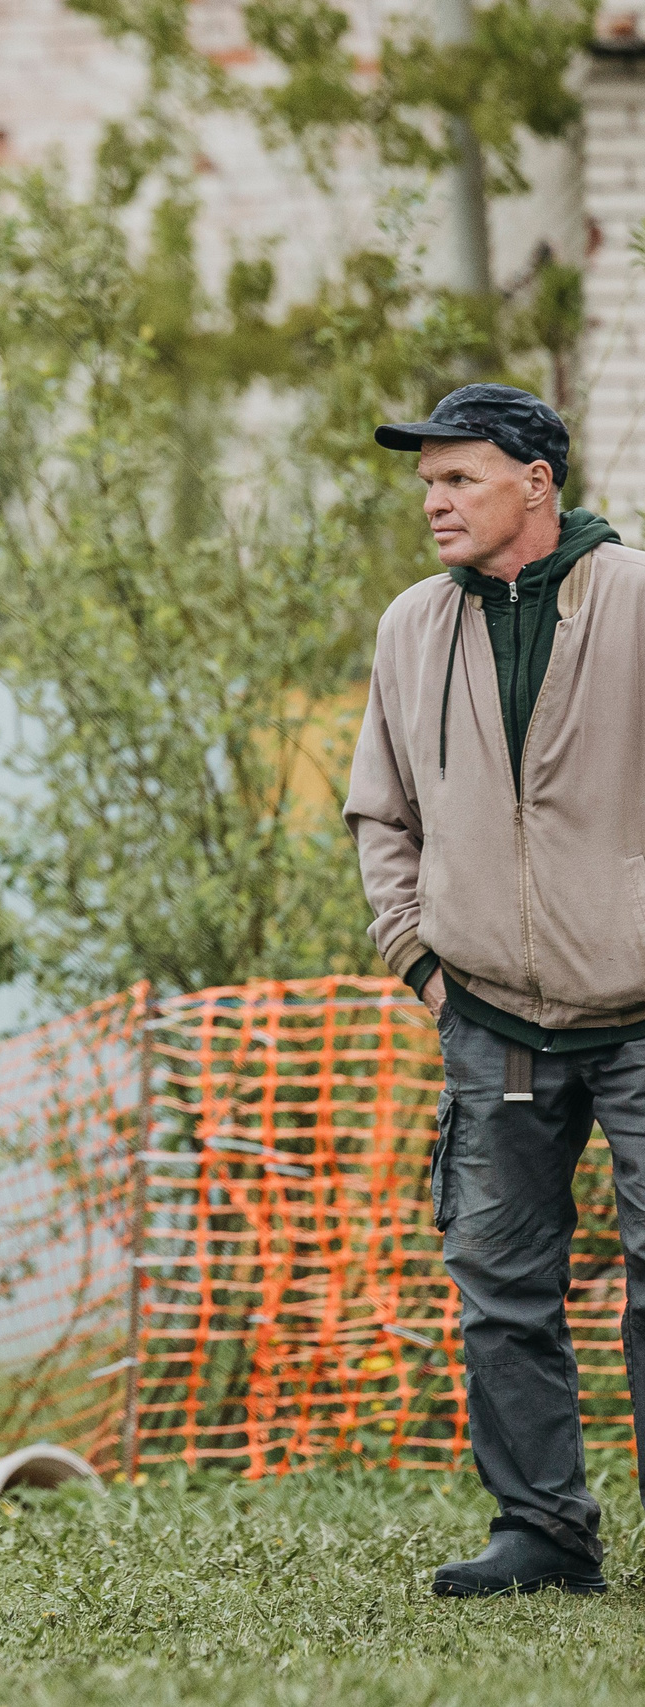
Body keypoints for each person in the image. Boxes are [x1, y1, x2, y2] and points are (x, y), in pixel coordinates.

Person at [349, 382, 642, 1597]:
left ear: (536, 480)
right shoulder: (411, 626)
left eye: (457, 477)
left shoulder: (634, 601)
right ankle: (540, 1533)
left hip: (639, 1015)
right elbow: (382, 811)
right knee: (499, 1289)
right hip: (489, 1020)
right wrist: (420, 959)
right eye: (425, 482)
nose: (433, 501)